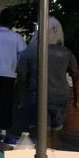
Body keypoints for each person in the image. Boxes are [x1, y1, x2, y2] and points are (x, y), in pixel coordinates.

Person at [16, 16, 79, 148]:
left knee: (40, 133)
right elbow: (75, 75)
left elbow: (21, 78)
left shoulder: (29, 52)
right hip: (60, 96)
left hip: (37, 96)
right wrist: (77, 98)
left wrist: (20, 98)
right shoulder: (66, 53)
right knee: (56, 133)